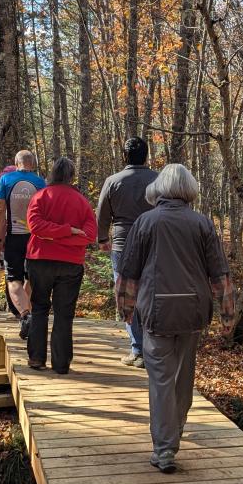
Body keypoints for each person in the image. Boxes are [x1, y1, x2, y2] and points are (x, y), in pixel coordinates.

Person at [117, 164, 235, 473]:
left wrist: (126, 309)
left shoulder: (146, 221)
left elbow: (129, 271)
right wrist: (227, 314)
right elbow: (219, 272)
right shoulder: (202, 223)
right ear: (189, 189)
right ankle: (174, 434)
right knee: (183, 379)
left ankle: (166, 449)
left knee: (160, 380)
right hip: (193, 312)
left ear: (160, 189)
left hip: (157, 311)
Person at [24, 157, 97, 374]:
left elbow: (38, 227)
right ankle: (61, 363)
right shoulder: (81, 201)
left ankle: (37, 358)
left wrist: (53, 236)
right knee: (64, 313)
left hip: (40, 259)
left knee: (39, 309)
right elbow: (36, 226)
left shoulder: (41, 196)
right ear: (71, 176)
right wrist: (69, 232)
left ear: (52, 173)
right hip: (70, 264)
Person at [97, 137, 158, 368]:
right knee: (150, 294)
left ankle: (138, 350)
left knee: (126, 295)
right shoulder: (158, 179)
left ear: (124, 156)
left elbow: (102, 213)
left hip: (122, 245)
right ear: (146, 156)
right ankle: (152, 348)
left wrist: (103, 238)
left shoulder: (113, 181)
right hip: (153, 243)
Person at [0, 150, 45, 337]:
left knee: (13, 278)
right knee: (30, 277)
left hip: (13, 235)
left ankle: (25, 315)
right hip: (35, 237)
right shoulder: (41, 182)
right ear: (33, 163)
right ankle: (27, 316)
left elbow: (0, 211)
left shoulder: (6, 180)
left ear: (17, 162)